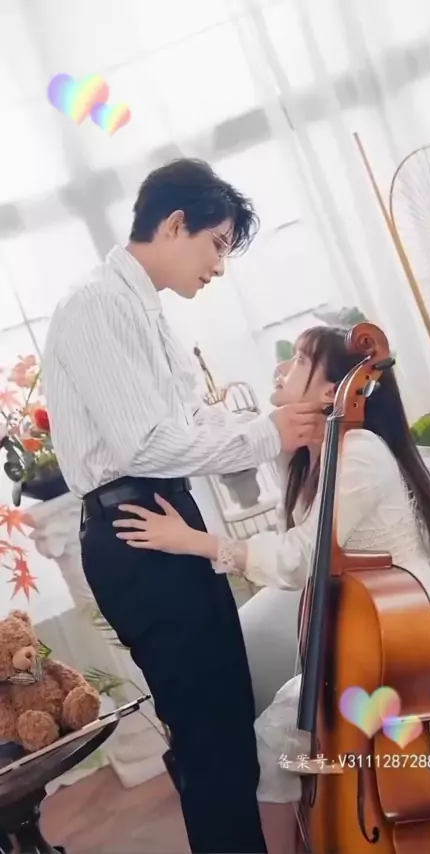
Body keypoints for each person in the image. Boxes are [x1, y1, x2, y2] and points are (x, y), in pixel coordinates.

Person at [41, 159, 324, 854]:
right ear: (174, 225)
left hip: (163, 515)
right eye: (217, 244)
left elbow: (191, 422)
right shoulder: (97, 306)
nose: (220, 267)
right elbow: (142, 443)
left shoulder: (145, 312)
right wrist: (265, 434)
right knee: (209, 737)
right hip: (134, 527)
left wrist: (267, 432)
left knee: (223, 727)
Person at [113, 324, 430, 854]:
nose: (281, 368)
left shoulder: (359, 452)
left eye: (301, 361)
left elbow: (298, 558)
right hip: (365, 643)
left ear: (333, 391)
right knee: (285, 750)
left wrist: (190, 540)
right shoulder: (316, 454)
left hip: (410, 636)